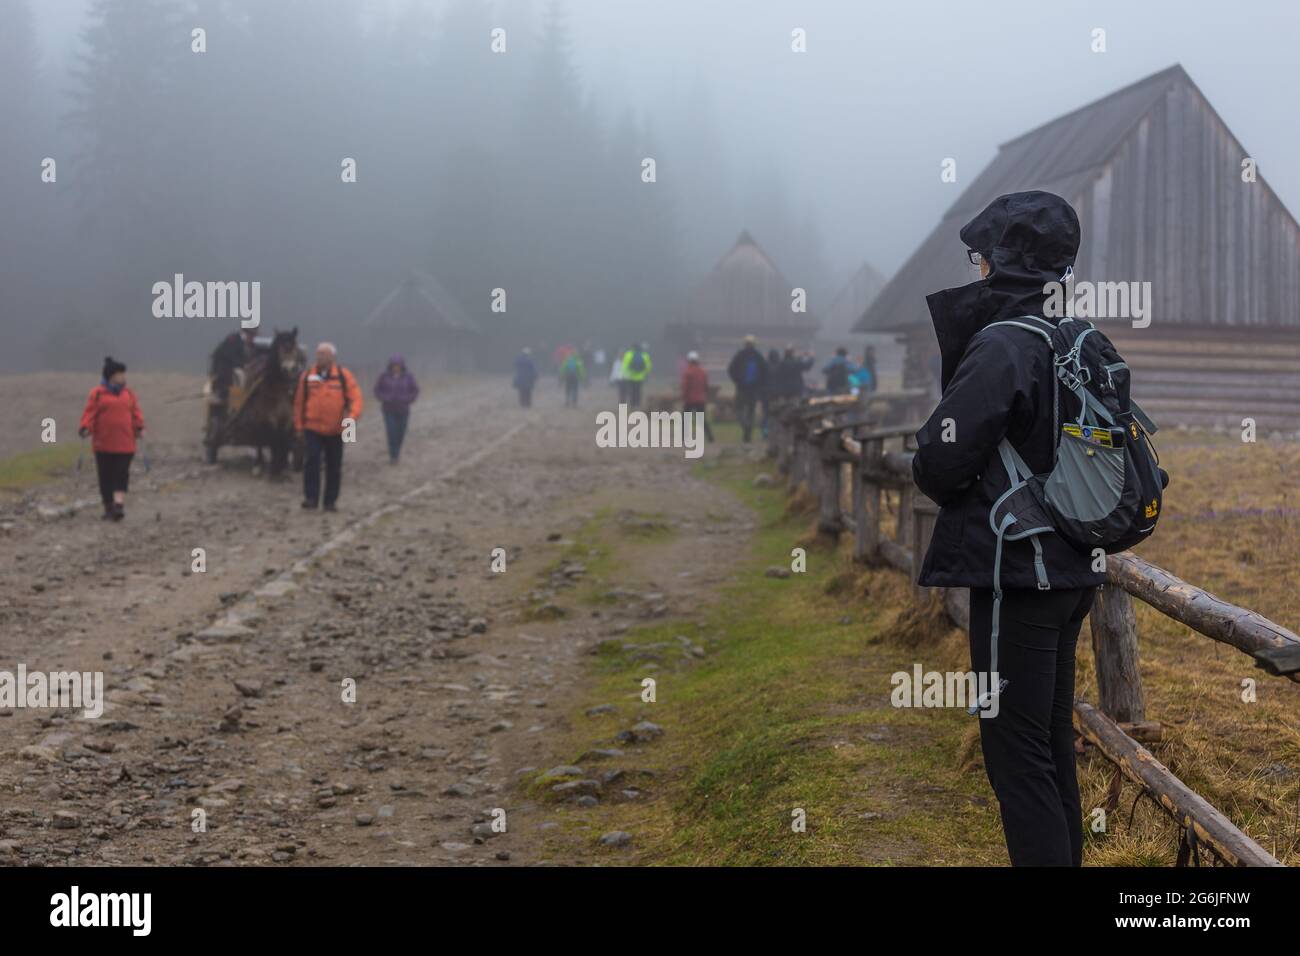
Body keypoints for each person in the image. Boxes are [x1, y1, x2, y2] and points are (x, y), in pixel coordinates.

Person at [911, 190, 1105, 867]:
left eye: (981, 259)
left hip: (1019, 571)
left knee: (1016, 757)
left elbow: (940, 458)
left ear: (1002, 262)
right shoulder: (1078, 338)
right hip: (1075, 570)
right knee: (1049, 744)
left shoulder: (1002, 345)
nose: (976, 272)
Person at [294, 342, 362, 512]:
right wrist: (299, 426)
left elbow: (356, 399)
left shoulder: (343, 375)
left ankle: (330, 501)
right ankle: (311, 498)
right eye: (318, 353)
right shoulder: (308, 375)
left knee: (334, 465)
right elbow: (299, 402)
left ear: (332, 356)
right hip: (312, 427)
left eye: (323, 354)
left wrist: (351, 418)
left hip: (337, 429)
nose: (319, 357)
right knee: (312, 462)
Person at [79, 357, 144, 521]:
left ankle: (118, 505)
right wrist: (85, 427)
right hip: (103, 444)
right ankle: (108, 506)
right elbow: (90, 413)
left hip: (126, 443)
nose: (123, 377)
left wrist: (139, 427)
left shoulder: (129, 394)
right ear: (110, 376)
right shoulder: (98, 394)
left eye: (123, 374)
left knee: (121, 474)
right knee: (105, 476)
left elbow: (135, 413)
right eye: (119, 374)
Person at [373, 355, 419, 464]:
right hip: (388, 409)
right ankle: (394, 455)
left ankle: (397, 449)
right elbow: (376, 390)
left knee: (401, 432)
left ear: (402, 366)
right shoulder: (383, 377)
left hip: (403, 409)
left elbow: (415, 390)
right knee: (391, 432)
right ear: (390, 366)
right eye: (394, 365)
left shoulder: (408, 377)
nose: (396, 367)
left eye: (398, 365)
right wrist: (384, 398)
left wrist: (408, 399)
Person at [726, 335, 768, 443]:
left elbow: (731, 369)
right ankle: (748, 433)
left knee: (738, 409)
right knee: (751, 411)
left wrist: (737, 381)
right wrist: (759, 385)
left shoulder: (740, 355)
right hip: (754, 389)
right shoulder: (758, 356)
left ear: (745, 343)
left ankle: (745, 426)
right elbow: (765, 372)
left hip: (741, 388)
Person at [680, 350, 715, 443]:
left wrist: (684, 396)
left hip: (689, 399)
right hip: (701, 399)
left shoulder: (687, 372)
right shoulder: (703, 372)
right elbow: (706, 385)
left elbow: (685, 386)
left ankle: (684, 437)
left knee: (686, 418)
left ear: (689, 360)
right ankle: (710, 437)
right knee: (701, 419)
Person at [620, 342, 652, 408]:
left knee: (632, 390)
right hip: (640, 376)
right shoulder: (644, 355)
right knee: (638, 390)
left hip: (630, 376)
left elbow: (624, 365)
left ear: (632, 347)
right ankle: (638, 403)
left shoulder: (628, 354)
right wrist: (645, 373)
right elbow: (648, 366)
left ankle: (632, 404)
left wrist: (625, 373)